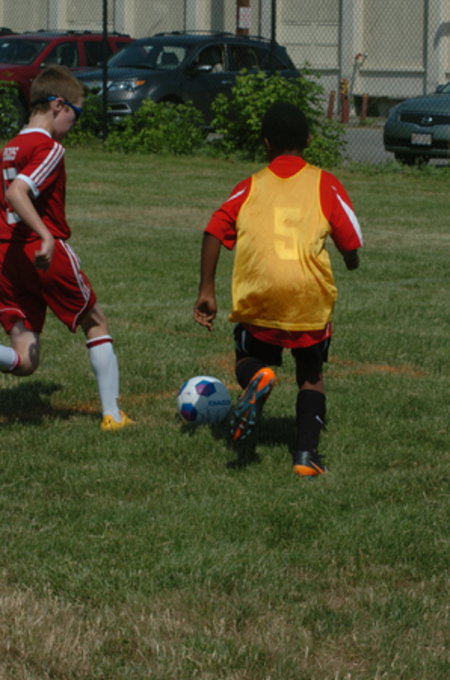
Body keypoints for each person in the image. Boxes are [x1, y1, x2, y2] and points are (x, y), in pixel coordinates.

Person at [193, 102, 362, 477]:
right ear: (309, 140)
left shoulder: (249, 186)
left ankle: (257, 376)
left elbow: (213, 231)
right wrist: (351, 260)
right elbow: (351, 240)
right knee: (311, 374)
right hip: (307, 298)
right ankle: (305, 456)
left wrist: (207, 289)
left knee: (248, 355)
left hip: (261, 295)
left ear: (266, 144)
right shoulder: (325, 183)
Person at [0, 64, 134, 430]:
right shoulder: (49, 148)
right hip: (42, 252)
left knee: (25, 361)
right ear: (58, 105)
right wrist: (45, 235)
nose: (74, 123)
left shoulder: (9, 148)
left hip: (7, 257)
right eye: (77, 113)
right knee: (95, 321)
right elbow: (16, 193)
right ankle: (113, 416)